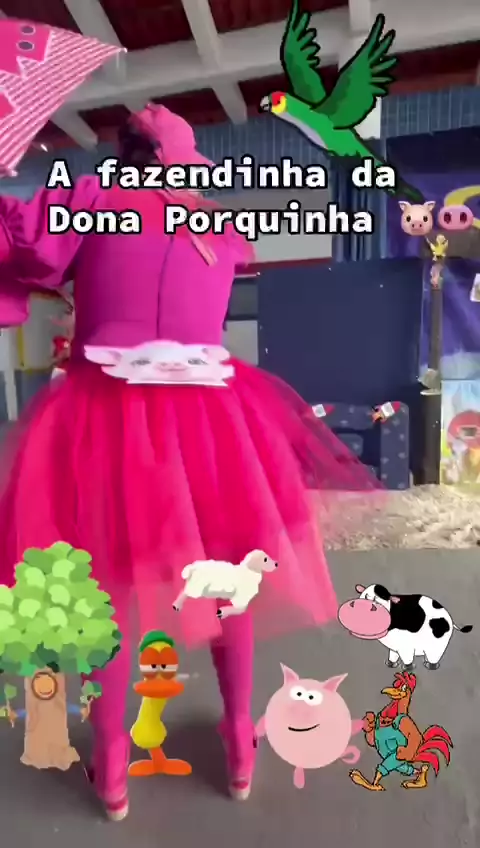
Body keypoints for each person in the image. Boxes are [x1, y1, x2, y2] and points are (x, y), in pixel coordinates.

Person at [0, 105, 382, 821]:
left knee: (108, 586)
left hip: (104, 417)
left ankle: (112, 768)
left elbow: (27, 252)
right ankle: (239, 746)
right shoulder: (214, 224)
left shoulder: (91, 203)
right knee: (231, 573)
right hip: (213, 420)